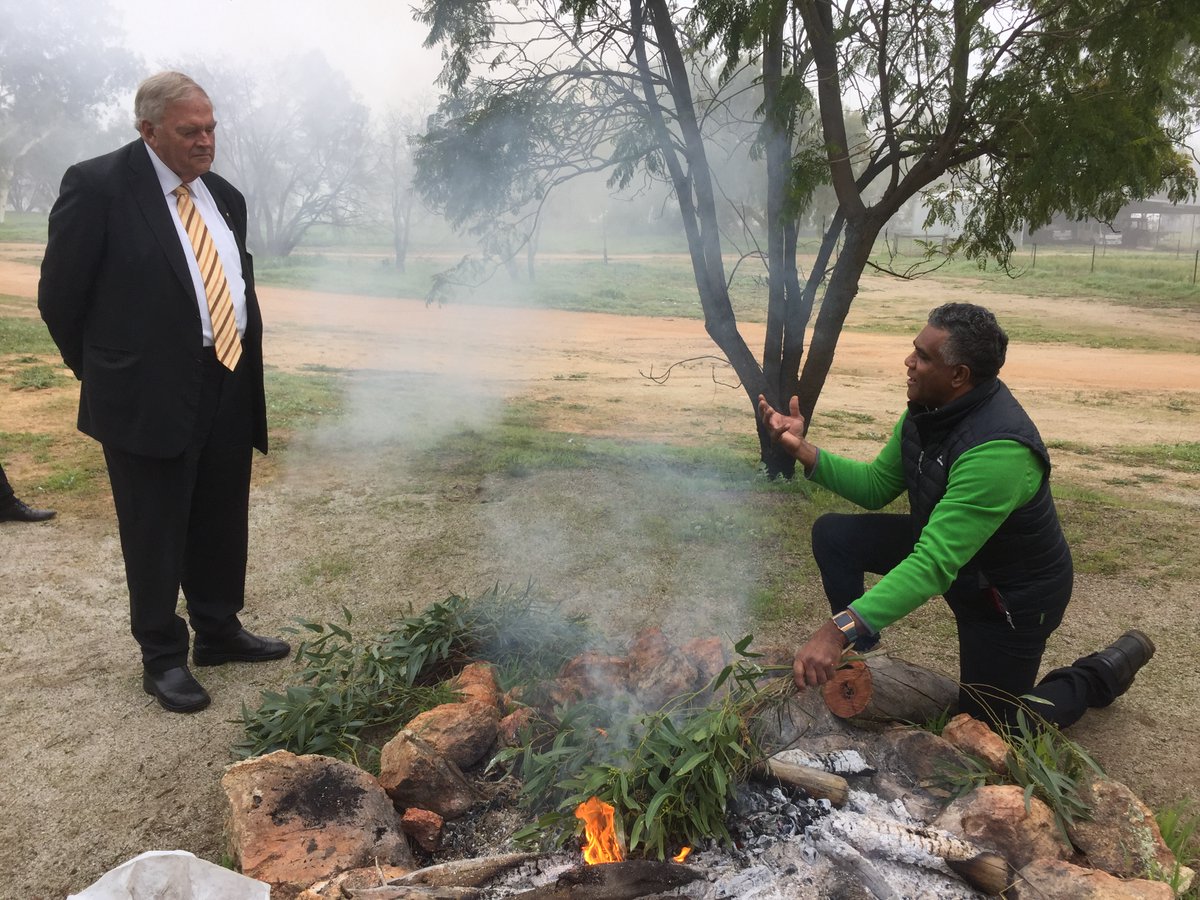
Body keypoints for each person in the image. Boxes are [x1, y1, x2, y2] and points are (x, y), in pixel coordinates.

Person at [758, 302, 1154, 731]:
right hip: (963, 564)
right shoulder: (928, 411)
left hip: (1009, 596)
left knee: (993, 730)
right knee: (834, 534)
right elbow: (875, 485)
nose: (909, 363)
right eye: (914, 350)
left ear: (959, 375)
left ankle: (1099, 674)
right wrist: (800, 449)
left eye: (923, 357)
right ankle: (861, 649)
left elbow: (932, 564)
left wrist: (837, 630)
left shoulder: (1000, 451)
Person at [38, 71, 289, 714]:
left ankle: (218, 630)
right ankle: (161, 656)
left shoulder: (223, 195)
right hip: (144, 392)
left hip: (228, 377)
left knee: (219, 512)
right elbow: (60, 298)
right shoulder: (96, 187)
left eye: (210, 128)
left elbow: (231, 282)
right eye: (189, 131)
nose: (206, 141)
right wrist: (103, 377)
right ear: (146, 130)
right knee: (154, 525)